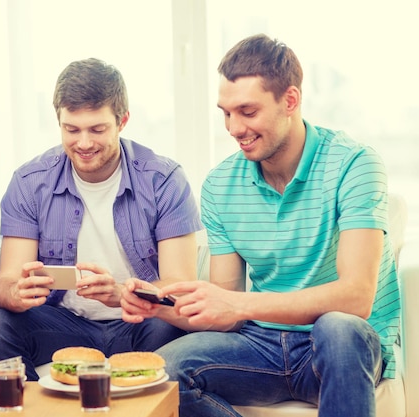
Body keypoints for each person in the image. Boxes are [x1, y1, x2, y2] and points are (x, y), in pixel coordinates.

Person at [120, 34, 400, 417]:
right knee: (162, 373)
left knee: (339, 328)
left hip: (337, 347)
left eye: (247, 112)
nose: (234, 128)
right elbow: (225, 308)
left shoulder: (354, 164)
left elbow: (357, 297)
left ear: (290, 100)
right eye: (226, 112)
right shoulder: (220, 185)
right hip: (262, 344)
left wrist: (240, 303)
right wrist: (158, 307)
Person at [0, 57, 203, 380]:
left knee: (168, 326)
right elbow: (6, 283)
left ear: (122, 121)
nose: (83, 143)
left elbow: (179, 289)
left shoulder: (163, 179)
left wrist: (121, 292)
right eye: (72, 130)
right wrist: (18, 294)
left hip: (139, 322)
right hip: (63, 323)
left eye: (97, 129)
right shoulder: (29, 182)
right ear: (59, 122)